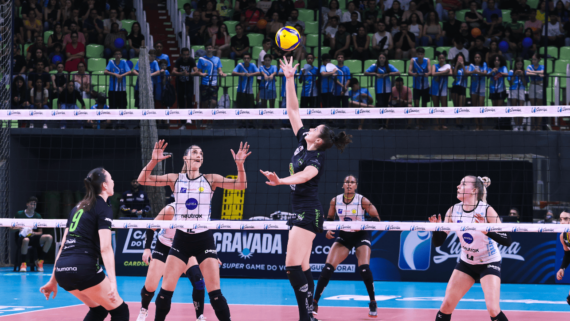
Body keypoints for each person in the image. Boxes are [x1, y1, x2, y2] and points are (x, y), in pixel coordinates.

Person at [260, 56, 352, 321]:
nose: (309, 128)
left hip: (309, 213)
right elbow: (293, 112)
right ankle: (310, 314)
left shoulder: (316, 158)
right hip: (303, 211)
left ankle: (306, 316)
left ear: (319, 139)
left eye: (315, 129)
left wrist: (280, 181)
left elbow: (303, 177)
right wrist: (289, 80)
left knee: (291, 266)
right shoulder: (303, 141)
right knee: (301, 266)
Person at [138, 140, 251, 321]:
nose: (199, 155)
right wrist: (153, 161)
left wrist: (239, 165)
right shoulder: (175, 179)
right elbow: (142, 180)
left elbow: (241, 185)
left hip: (204, 240)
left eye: (201, 154)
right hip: (181, 240)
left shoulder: (210, 178)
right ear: (186, 157)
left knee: (215, 294)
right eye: (195, 152)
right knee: (165, 292)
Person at [40, 168, 130, 321]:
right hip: (83, 268)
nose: (113, 182)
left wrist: (53, 279)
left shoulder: (77, 207)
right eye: (111, 179)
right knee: (121, 311)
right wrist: (113, 282)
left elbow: (63, 246)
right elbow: (105, 247)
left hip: (63, 271)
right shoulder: (103, 206)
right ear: (104, 186)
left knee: (99, 310)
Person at [429, 176, 512, 321]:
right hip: (466, 263)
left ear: (473, 190)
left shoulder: (487, 210)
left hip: (488, 262)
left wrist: (487, 231)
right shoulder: (453, 210)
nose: (458, 186)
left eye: (462, 184)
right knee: (446, 306)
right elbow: (438, 243)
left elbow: (507, 240)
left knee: (493, 309)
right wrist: (436, 229)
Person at [313, 175, 380, 318]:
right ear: (342, 185)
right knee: (328, 267)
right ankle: (314, 303)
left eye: (352, 182)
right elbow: (330, 219)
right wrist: (329, 229)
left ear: (356, 185)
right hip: (344, 236)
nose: (349, 185)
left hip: (361, 235)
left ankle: (373, 302)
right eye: (347, 182)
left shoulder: (362, 200)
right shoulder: (335, 201)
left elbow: (377, 218)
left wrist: (363, 225)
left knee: (364, 268)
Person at [137, 204, 213, 321]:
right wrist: (147, 249)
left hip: (183, 248)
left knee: (198, 281)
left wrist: (210, 253)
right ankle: (144, 309)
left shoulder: (198, 211)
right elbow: (151, 227)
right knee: (150, 286)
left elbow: (203, 236)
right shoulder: (170, 210)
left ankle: (199, 316)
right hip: (164, 247)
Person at [13, 196, 53, 272]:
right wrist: (18, 228)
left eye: (34, 204)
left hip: (33, 237)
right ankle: (23, 263)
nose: (33, 206)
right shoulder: (19, 214)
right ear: (27, 204)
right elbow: (10, 228)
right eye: (31, 204)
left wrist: (34, 233)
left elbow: (40, 232)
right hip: (22, 238)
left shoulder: (38, 216)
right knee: (26, 239)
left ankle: (40, 261)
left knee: (49, 237)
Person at [197, 44, 227, 109]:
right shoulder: (201, 59)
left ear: (213, 49)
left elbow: (220, 70)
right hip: (204, 84)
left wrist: (222, 73)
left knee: (213, 102)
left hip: (214, 84)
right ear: (205, 50)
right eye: (207, 48)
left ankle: (210, 116)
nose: (208, 50)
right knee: (205, 103)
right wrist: (201, 74)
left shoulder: (217, 59)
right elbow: (198, 71)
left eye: (210, 48)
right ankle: (206, 117)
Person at [467, 52, 488, 130]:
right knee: (475, 107)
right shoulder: (472, 65)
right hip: (473, 88)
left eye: (478, 57)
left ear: (481, 58)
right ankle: (477, 125)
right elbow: (468, 73)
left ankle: (481, 124)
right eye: (476, 57)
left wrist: (477, 72)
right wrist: (473, 72)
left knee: (481, 107)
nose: (477, 59)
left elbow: (485, 73)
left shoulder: (484, 64)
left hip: (482, 88)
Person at [431, 51, 451, 130]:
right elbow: (433, 74)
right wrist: (444, 72)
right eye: (440, 58)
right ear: (438, 59)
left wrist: (439, 73)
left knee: (444, 107)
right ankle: (437, 124)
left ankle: (442, 124)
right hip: (435, 88)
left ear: (445, 58)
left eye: (443, 58)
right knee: (436, 107)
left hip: (443, 89)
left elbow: (450, 73)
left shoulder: (448, 66)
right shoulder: (434, 65)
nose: (441, 59)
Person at [508, 57, 528, 131]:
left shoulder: (524, 72)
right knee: (514, 107)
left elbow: (525, 84)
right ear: (515, 64)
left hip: (521, 89)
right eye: (518, 64)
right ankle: (516, 125)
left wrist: (522, 75)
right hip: (513, 89)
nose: (519, 66)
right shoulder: (511, 71)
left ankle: (520, 125)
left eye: (520, 64)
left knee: (521, 107)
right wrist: (514, 74)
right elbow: (510, 83)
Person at [526, 53, 545, 130]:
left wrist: (532, 72)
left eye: (535, 59)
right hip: (532, 86)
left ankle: (539, 126)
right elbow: (527, 73)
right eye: (532, 59)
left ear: (539, 59)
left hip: (540, 87)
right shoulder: (529, 66)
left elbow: (543, 73)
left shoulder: (542, 66)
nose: (533, 61)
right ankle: (533, 126)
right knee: (533, 107)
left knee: (539, 107)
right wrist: (538, 73)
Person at [556, 210, 570, 303]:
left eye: (565, 219)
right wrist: (562, 268)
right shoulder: (563, 236)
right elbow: (568, 255)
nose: (562, 222)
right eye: (561, 219)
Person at [451, 53, 468, 117]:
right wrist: (456, 66)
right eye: (458, 58)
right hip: (455, 87)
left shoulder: (467, 67)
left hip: (463, 87)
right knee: (456, 106)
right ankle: (457, 122)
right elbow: (454, 76)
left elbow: (466, 75)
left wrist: (463, 66)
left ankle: (461, 121)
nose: (460, 60)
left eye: (461, 58)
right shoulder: (453, 67)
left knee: (461, 106)